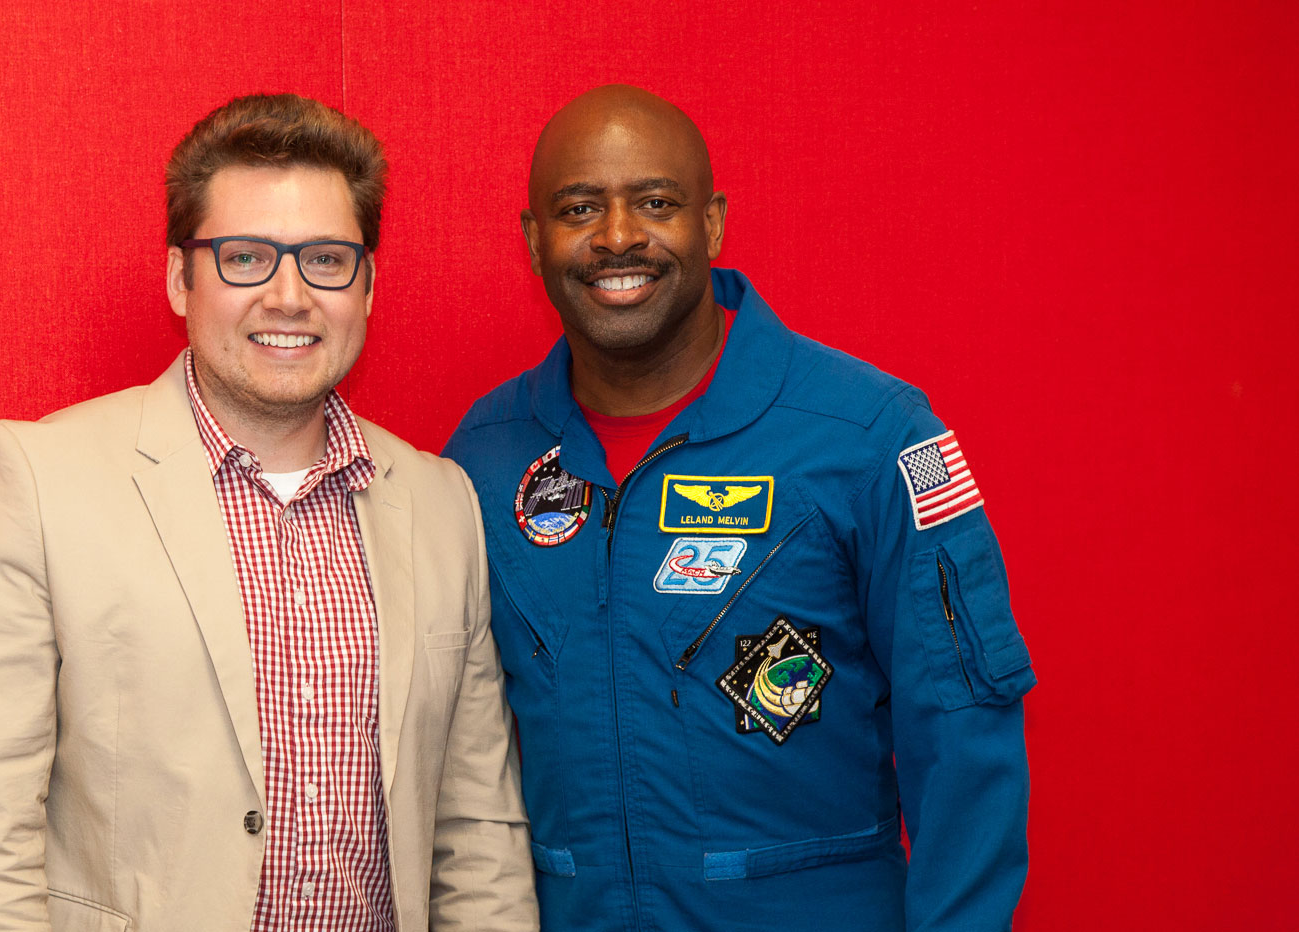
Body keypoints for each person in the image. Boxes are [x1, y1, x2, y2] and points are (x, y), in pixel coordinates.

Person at [0, 93, 536, 932]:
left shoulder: (440, 502)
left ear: (369, 284)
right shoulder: (39, 481)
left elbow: (476, 830)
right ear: (180, 277)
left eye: (326, 260)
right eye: (244, 258)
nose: (288, 296)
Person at [442, 85, 1035, 932]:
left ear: (712, 224)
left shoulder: (872, 438)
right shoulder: (484, 456)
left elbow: (965, 745)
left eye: (656, 202)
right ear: (535, 240)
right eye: (579, 208)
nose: (617, 236)